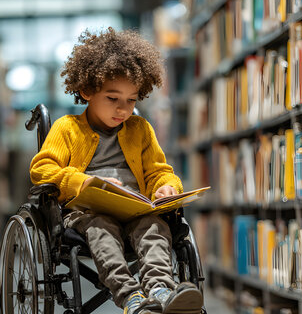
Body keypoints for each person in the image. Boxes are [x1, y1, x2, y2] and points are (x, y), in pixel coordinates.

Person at [29, 28, 203, 314]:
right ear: (87, 90)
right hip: (88, 213)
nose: (123, 109)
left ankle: (161, 290)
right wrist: (82, 182)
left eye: (131, 100)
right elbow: (43, 169)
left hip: (136, 208)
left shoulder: (140, 129)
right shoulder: (67, 128)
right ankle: (131, 297)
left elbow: (160, 170)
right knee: (102, 230)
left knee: (155, 228)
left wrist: (166, 186)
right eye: (112, 98)